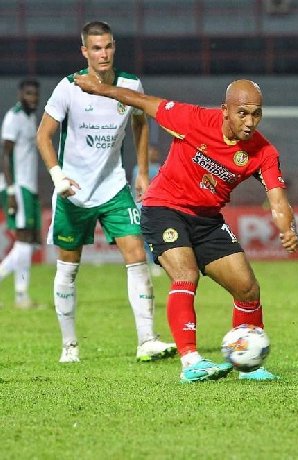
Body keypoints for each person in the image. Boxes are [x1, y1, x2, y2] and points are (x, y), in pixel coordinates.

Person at [72, 74, 298, 383]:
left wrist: (287, 229)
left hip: (207, 220)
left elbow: (277, 199)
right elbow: (142, 101)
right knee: (185, 274)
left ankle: (249, 364)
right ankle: (191, 361)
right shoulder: (193, 119)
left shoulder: (263, 152)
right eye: (242, 113)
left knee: (248, 288)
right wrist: (100, 89)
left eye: (256, 113)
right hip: (164, 208)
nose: (250, 121)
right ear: (225, 110)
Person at [36, 21, 176, 364]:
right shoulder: (69, 87)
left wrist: (142, 172)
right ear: (85, 51)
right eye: (96, 48)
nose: (104, 53)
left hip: (114, 188)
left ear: (115, 47)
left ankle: (147, 340)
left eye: (109, 46)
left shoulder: (130, 84)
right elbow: (43, 135)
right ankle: (70, 345)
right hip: (74, 192)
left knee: (137, 256)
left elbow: (141, 124)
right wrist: (58, 177)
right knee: (68, 269)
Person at [0, 79, 42, 309]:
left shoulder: (31, 117)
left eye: (35, 94)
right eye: (28, 94)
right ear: (20, 95)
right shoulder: (13, 117)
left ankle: (21, 295)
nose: (32, 98)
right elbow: (5, 155)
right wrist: (12, 190)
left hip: (30, 187)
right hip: (18, 187)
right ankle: (20, 295)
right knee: (25, 241)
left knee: (30, 241)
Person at [131, 144, 162, 277]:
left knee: (153, 237)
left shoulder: (160, 169)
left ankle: (156, 263)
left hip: (153, 207)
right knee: (140, 238)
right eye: (149, 152)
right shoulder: (137, 169)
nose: (151, 154)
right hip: (138, 207)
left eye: (153, 152)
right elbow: (134, 188)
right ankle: (143, 263)